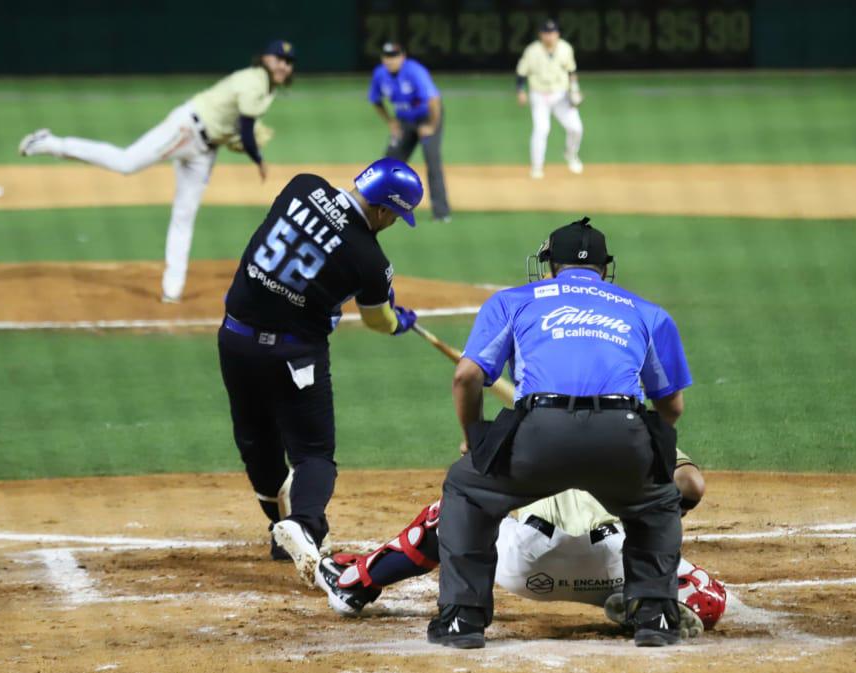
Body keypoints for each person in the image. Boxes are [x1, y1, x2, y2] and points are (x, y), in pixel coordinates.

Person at [427, 217, 693, 648]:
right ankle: (656, 618)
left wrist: (475, 437)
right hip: (622, 433)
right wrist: (647, 453)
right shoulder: (645, 311)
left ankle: (462, 620)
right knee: (658, 501)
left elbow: (466, 377)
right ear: (605, 269)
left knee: (467, 490)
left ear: (550, 266)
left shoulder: (513, 301)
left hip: (539, 434)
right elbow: (672, 405)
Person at [217, 158, 423, 586]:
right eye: (396, 216)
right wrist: (397, 321)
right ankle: (306, 524)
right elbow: (377, 320)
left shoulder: (302, 185)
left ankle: (280, 532)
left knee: (257, 439)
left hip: (235, 341)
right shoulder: (371, 261)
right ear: (385, 210)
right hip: (294, 358)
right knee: (314, 453)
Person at [314, 458, 727, 637]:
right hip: (615, 564)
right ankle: (648, 603)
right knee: (710, 595)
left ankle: (357, 582)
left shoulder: (526, 422)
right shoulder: (635, 425)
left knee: (452, 511)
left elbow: (471, 472)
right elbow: (691, 485)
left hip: (526, 565)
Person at [18, 40, 297, 303]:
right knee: (126, 163)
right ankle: (49, 143)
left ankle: (172, 289)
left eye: (289, 61)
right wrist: (257, 158)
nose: (284, 65)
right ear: (265, 59)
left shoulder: (267, 87)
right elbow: (247, 131)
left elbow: (238, 126)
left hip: (206, 149)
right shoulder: (253, 81)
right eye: (279, 59)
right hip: (186, 129)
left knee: (185, 214)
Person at [369, 42, 451, 223]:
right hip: (404, 121)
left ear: (402, 57)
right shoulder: (380, 74)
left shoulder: (415, 71)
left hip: (427, 118)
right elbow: (375, 100)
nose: (390, 60)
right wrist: (391, 122)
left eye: (394, 56)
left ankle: (441, 212)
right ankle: (379, 207)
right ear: (383, 59)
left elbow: (434, 100)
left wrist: (431, 126)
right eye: (387, 57)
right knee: (389, 163)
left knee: (432, 161)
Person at [515, 19, 584, 178]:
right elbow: (521, 73)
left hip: (561, 95)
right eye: (546, 33)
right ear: (541, 35)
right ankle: (537, 167)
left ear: (557, 34)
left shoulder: (566, 49)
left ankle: (571, 155)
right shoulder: (532, 51)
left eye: (552, 33)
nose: (549, 36)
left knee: (576, 128)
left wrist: (575, 90)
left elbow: (571, 72)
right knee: (541, 130)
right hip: (539, 95)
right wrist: (520, 91)